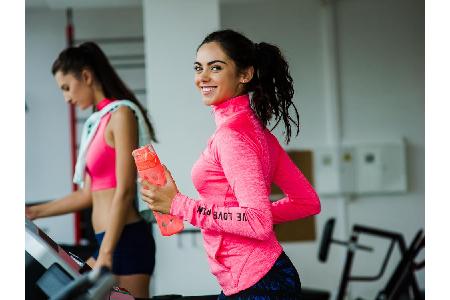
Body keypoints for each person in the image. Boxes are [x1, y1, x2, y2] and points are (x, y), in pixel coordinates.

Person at [139, 29, 321, 299]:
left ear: (245, 75)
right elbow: (306, 202)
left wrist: (179, 205)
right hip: (262, 278)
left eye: (215, 68)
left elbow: (257, 222)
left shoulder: (232, 137)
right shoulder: (255, 132)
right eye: (198, 68)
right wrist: (244, 215)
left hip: (258, 284)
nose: (202, 77)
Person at [25, 42, 156, 298]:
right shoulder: (94, 125)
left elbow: (126, 189)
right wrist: (32, 212)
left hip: (125, 240)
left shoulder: (121, 115)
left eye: (66, 88)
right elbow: (86, 195)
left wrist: (107, 252)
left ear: (86, 76)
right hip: (106, 241)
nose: (66, 97)